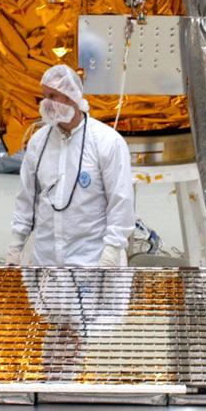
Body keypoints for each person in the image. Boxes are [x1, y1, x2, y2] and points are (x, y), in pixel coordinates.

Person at [8, 64, 134, 266]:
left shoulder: (106, 141)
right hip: (47, 261)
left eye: (52, 96)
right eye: (44, 96)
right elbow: (26, 199)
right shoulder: (38, 142)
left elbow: (121, 202)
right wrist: (16, 245)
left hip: (93, 261)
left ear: (71, 97)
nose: (46, 103)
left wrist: (111, 251)